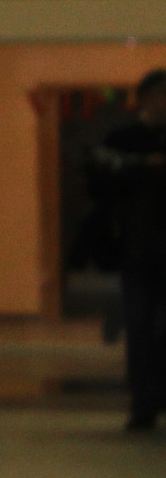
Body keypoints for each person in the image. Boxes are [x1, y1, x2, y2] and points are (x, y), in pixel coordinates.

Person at [91, 69, 166, 431]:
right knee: (140, 328)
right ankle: (143, 403)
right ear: (147, 99)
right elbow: (99, 173)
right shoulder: (123, 139)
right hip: (137, 251)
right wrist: (141, 167)